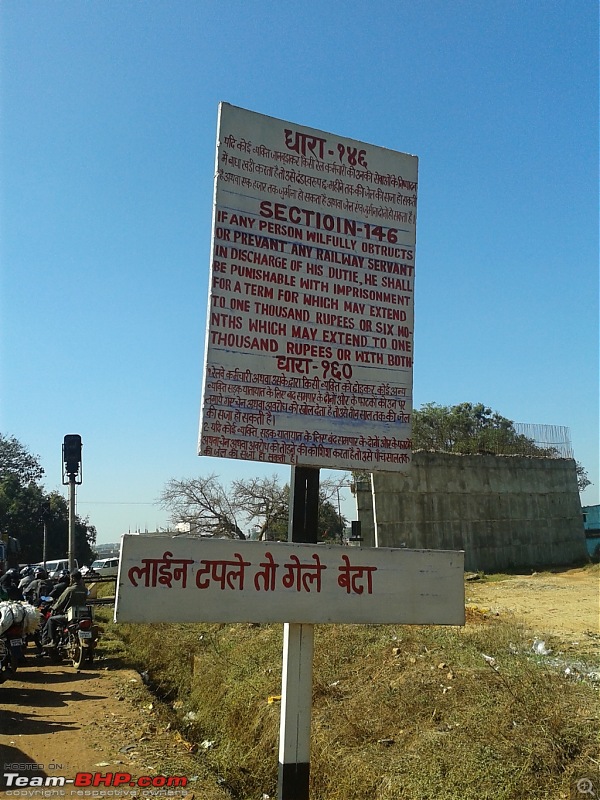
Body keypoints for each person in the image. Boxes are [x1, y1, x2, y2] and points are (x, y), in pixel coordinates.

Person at [41, 570, 88, 647]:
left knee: (51, 620)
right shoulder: (85, 590)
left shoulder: (69, 590)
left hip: (69, 616)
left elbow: (60, 602)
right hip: (83, 615)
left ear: (72, 578)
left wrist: (54, 608)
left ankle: (53, 641)